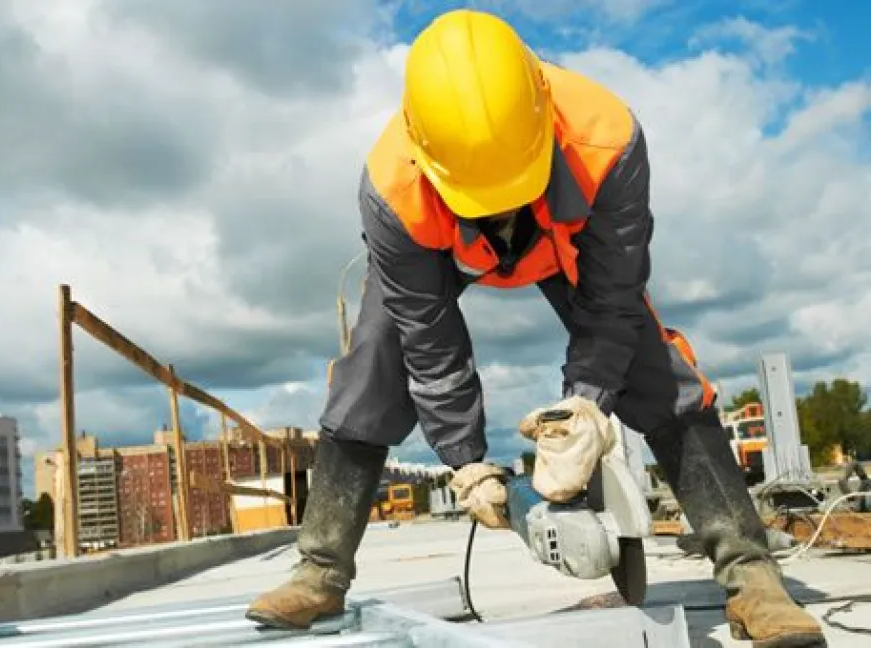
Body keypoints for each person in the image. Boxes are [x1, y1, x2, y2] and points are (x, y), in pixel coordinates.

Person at [246, 9, 826, 647]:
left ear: (543, 113)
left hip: (563, 243)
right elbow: (429, 343)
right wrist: (466, 463)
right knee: (375, 362)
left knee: (656, 368)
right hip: (440, 248)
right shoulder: (392, 189)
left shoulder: (607, 139)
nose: (500, 209)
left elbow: (612, 300)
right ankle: (320, 570)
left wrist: (586, 407)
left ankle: (752, 577)